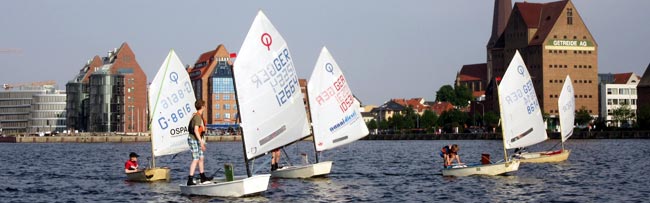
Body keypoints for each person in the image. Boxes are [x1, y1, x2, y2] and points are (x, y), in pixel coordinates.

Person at [186, 100, 212, 186]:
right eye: (204, 106)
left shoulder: (199, 116)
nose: (205, 107)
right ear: (202, 107)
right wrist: (201, 142)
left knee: (201, 158)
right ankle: (190, 179)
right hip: (193, 139)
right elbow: (196, 130)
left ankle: (202, 177)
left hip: (198, 139)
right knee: (196, 159)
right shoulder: (197, 117)